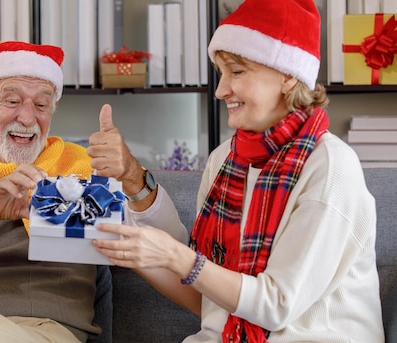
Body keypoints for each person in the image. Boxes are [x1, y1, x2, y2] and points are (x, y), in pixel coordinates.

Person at [93, 0, 385, 341]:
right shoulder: (224, 161)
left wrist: (178, 257)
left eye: (237, 71)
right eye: (221, 73)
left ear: (288, 75)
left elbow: (276, 305)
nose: (220, 90)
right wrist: (128, 247)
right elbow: (210, 300)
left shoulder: (330, 167)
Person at [0, 41, 188, 343]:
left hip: (50, 332)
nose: (28, 119)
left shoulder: (81, 173)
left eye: (41, 104)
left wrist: (132, 175)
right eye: (12, 101)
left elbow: (174, 250)